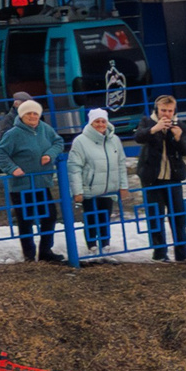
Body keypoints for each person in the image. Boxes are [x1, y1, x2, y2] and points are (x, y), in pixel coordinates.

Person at [0, 98, 65, 262]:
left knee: (50, 216)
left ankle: (45, 251)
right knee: (25, 220)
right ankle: (29, 254)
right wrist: (12, 169)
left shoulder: (44, 129)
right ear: (22, 115)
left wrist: (50, 154)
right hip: (21, 185)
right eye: (28, 114)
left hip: (41, 183)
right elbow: (0, 153)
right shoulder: (14, 134)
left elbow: (58, 142)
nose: (32, 116)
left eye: (35, 113)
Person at [135, 94, 186, 262]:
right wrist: (155, 129)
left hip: (173, 177)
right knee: (155, 215)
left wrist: (177, 137)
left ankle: (182, 252)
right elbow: (138, 137)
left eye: (170, 111)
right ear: (157, 110)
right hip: (151, 177)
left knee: (178, 215)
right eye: (163, 110)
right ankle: (159, 252)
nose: (166, 114)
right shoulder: (147, 122)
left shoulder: (181, 125)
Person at [69, 105, 130, 257]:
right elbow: (74, 167)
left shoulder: (114, 140)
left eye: (103, 121)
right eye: (97, 122)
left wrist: (123, 186)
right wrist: (77, 191)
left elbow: (121, 163)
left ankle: (105, 244)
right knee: (90, 217)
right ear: (90, 123)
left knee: (105, 217)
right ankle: (92, 246)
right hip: (89, 188)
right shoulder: (80, 141)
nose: (101, 125)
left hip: (108, 188)